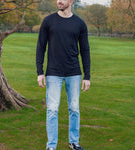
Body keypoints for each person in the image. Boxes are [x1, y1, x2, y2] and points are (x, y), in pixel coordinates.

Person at [36, 0, 90, 149]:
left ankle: (74, 142)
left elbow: (85, 50)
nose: (59, 1)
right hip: (53, 73)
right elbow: (41, 47)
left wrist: (87, 76)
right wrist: (40, 72)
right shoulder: (48, 21)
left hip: (74, 72)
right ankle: (51, 145)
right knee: (52, 109)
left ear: (71, 1)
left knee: (74, 108)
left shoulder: (79, 23)